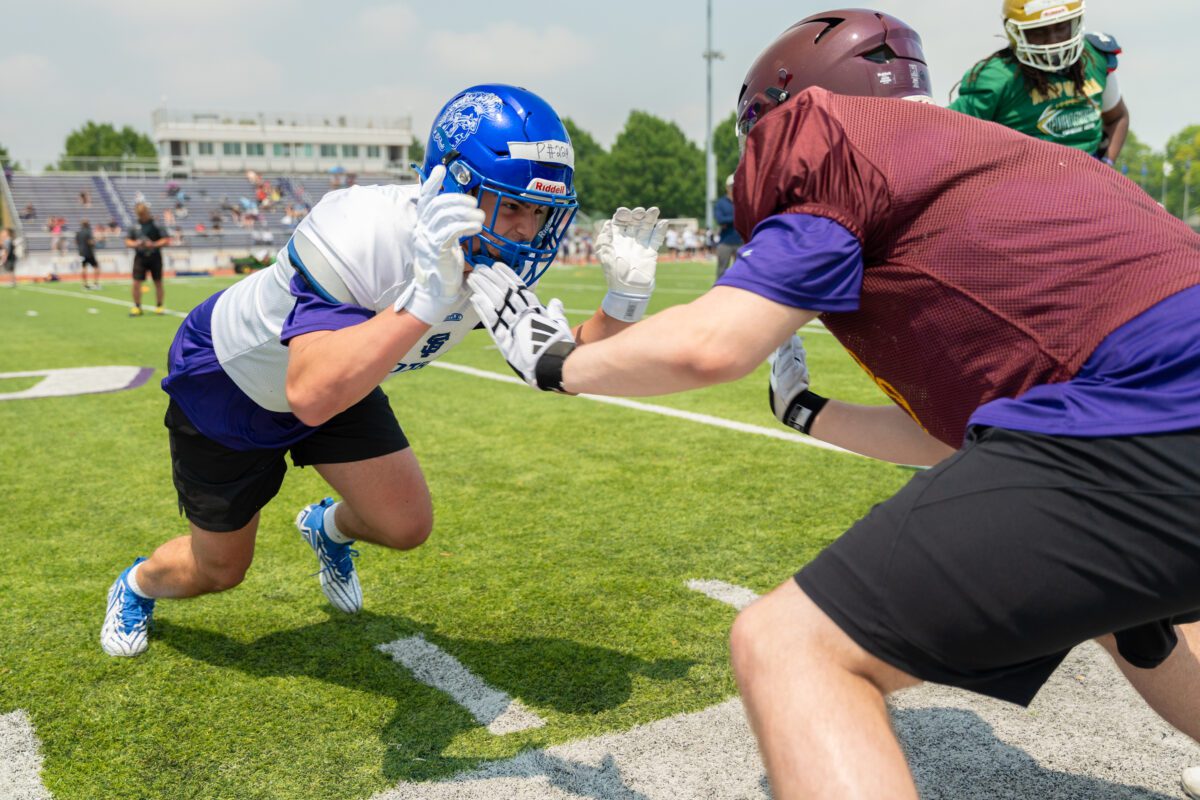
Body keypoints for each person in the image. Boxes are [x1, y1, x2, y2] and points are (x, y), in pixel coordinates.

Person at [465, 10, 1200, 799]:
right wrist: (809, 411)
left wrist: (561, 363)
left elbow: (715, 345)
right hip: (1152, 403)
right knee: (1121, 600)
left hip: (1146, 403)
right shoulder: (1020, 160)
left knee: (788, 645)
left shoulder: (834, 139)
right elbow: (963, 439)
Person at [99, 84, 666, 658]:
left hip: (350, 370)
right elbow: (311, 391)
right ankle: (138, 583)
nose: (525, 231)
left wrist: (625, 298)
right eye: (513, 205)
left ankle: (327, 528)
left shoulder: (490, 253)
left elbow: (565, 365)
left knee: (405, 526)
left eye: (539, 211)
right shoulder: (364, 228)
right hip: (231, 381)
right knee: (219, 570)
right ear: (453, 185)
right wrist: (424, 297)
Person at [949, 0, 1129, 165]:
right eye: (1038, 30)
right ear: (1016, 32)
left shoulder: (1095, 58)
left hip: (1088, 179)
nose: (1053, 41)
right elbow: (947, 135)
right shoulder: (997, 77)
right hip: (1021, 185)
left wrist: (1106, 164)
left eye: (1061, 26)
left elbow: (1117, 118)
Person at [124, 202, 169, 316]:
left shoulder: (157, 225)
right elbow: (127, 241)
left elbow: (166, 240)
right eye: (140, 214)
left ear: (147, 212)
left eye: (143, 214)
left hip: (155, 256)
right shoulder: (134, 226)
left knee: (158, 282)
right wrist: (137, 243)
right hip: (140, 257)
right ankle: (137, 307)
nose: (142, 216)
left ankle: (159, 306)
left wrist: (153, 244)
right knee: (136, 283)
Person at [714, 173, 743, 281]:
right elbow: (720, 220)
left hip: (741, 241)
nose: (734, 188)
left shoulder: (743, 201)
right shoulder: (721, 203)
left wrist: (729, 220)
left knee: (741, 271)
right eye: (732, 185)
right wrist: (737, 217)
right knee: (721, 271)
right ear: (727, 187)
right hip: (725, 242)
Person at [76, 220, 101, 290]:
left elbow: (76, 242)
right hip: (89, 253)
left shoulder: (79, 232)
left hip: (81, 253)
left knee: (84, 268)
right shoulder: (88, 232)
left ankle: (85, 284)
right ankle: (95, 283)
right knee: (96, 267)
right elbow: (90, 242)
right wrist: (95, 242)